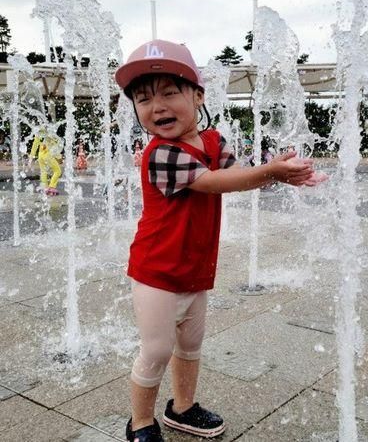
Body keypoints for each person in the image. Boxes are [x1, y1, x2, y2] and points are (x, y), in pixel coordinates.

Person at [114, 39, 324, 442]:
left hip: (195, 267)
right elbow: (213, 183)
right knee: (157, 349)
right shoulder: (160, 153)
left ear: (198, 96)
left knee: (190, 344)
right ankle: (140, 422)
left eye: (169, 93)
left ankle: (182, 408)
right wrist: (272, 172)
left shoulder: (213, 142)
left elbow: (237, 175)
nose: (156, 106)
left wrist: (290, 172)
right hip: (156, 270)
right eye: (142, 99)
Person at [28, 125, 63, 195]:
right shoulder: (52, 136)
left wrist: (31, 157)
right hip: (48, 155)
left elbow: (35, 145)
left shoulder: (39, 134)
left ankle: (45, 188)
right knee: (57, 171)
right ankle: (51, 187)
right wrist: (59, 158)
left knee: (43, 171)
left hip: (40, 155)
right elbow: (55, 148)